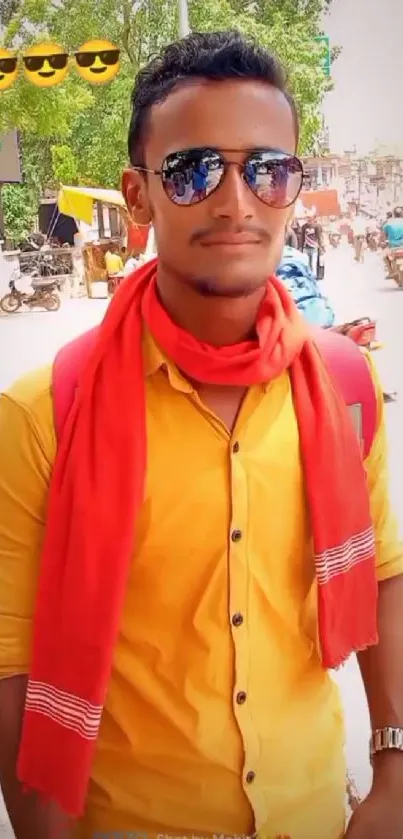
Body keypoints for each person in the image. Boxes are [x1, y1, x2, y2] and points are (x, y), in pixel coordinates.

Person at [0, 30, 403, 839]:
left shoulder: (344, 385)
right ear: (138, 195)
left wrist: (393, 769)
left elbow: (384, 575)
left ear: (293, 186)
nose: (234, 202)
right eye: (191, 171)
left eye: (267, 168)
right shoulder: (45, 413)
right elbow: (14, 660)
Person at [300, 210, 324, 276]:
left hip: (314, 248)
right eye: (307, 217)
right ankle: (308, 277)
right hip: (306, 248)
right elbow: (302, 238)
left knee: (313, 264)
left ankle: (313, 278)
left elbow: (319, 238)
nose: (308, 219)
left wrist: (321, 248)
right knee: (307, 264)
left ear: (313, 218)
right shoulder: (303, 227)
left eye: (310, 217)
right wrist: (301, 248)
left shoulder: (317, 226)